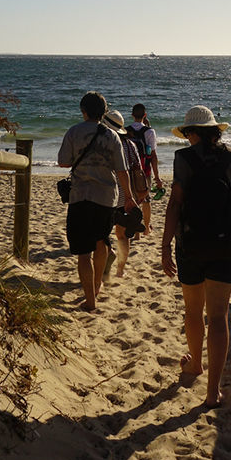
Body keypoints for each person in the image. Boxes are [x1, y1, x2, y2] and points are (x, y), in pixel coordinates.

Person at [161, 105, 231, 409]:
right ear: (215, 131)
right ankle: (213, 392)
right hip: (224, 246)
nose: (185, 139)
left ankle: (195, 363)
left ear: (193, 133)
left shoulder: (183, 159)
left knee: (193, 310)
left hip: (190, 246)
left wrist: (165, 244)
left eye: (186, 133)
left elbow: (175, 204)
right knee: (219, 317)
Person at [57, 92, 136, 312]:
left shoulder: (74, 131)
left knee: (83, 251)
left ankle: (90, 300)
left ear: (83, 111)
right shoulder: (111, 136)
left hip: (80, 195)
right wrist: (128, 197)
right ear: (103, 113)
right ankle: (98, 285)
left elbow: (63, 162)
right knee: (101, 242)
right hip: (106, 197)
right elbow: (122, 170)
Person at [103, 109, 147, 277]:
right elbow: (138, 170)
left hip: (107, 194)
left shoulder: (104, 143)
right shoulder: (130, 145)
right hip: (125, 196)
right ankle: (120, 269)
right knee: (123, 236)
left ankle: (108, 252)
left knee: (101, 233)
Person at [127, 103, 165, 231]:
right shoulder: (149, 132)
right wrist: (157, 177)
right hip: (145, 170)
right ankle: (147, 228)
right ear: (145, 115)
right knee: (145, 198)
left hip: (129, 169)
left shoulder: (126, 130)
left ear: (132, 115)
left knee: (132, 197)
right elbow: (153, 155)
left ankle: (136, 230)